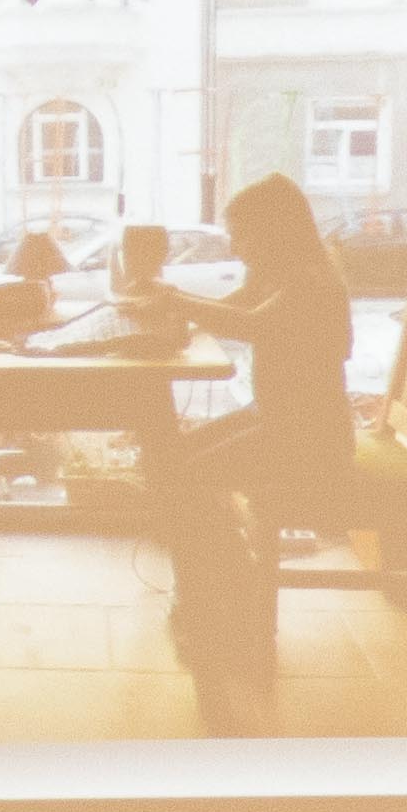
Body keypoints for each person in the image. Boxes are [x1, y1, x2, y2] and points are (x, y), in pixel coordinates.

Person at [151, 172, 365, 687]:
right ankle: (217, 597)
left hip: (309, 440)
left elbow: (254, 326)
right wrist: (178, 302)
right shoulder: (284, 271)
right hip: (284, 421)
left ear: (273, 233)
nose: (233, 245)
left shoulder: (309, 281)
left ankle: (223, 612)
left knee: (183, 475)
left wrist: (175, 303)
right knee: (172, 458)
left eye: (241, 234)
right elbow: (236, 309)